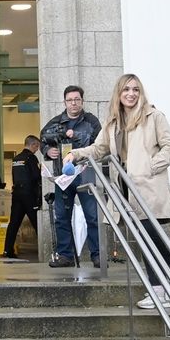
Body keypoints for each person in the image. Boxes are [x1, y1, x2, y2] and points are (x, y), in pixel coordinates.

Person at [69, 74, 170, 308]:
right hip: (126, 188)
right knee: (146, 237)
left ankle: (159, 291)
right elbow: (99, 149)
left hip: (148, 186)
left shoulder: (154, 116)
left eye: (136, 89)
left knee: (147, 236)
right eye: (126, 89)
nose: (131, 94)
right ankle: (167, 263)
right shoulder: (112, 123)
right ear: (118, 94)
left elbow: (169, 147)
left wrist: (151, 166)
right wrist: (75, 154)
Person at [41, 85, 102, 268]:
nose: (73, 103)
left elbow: (100, 144)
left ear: (82, 101)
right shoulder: (55, 122)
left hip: (86, 174)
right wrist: (47, 150)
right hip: (63, 177)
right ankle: (65, 256)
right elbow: (43, 139)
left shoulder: (92, 121)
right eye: (70, 100)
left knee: (92, 216)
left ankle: (98, 255)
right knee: (62, 216)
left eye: (77, 99)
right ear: (64, 102)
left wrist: (75, 135)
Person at [3, 136, 43, 259]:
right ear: (33, 145)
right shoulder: (31, 158)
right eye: (37, 146)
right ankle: (45, 249)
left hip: (17, 194)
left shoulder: (16, 159)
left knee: (14, 223)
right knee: (36, 222)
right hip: (29, 194)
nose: (37, 149)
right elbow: (36, 176)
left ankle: (7, 250)